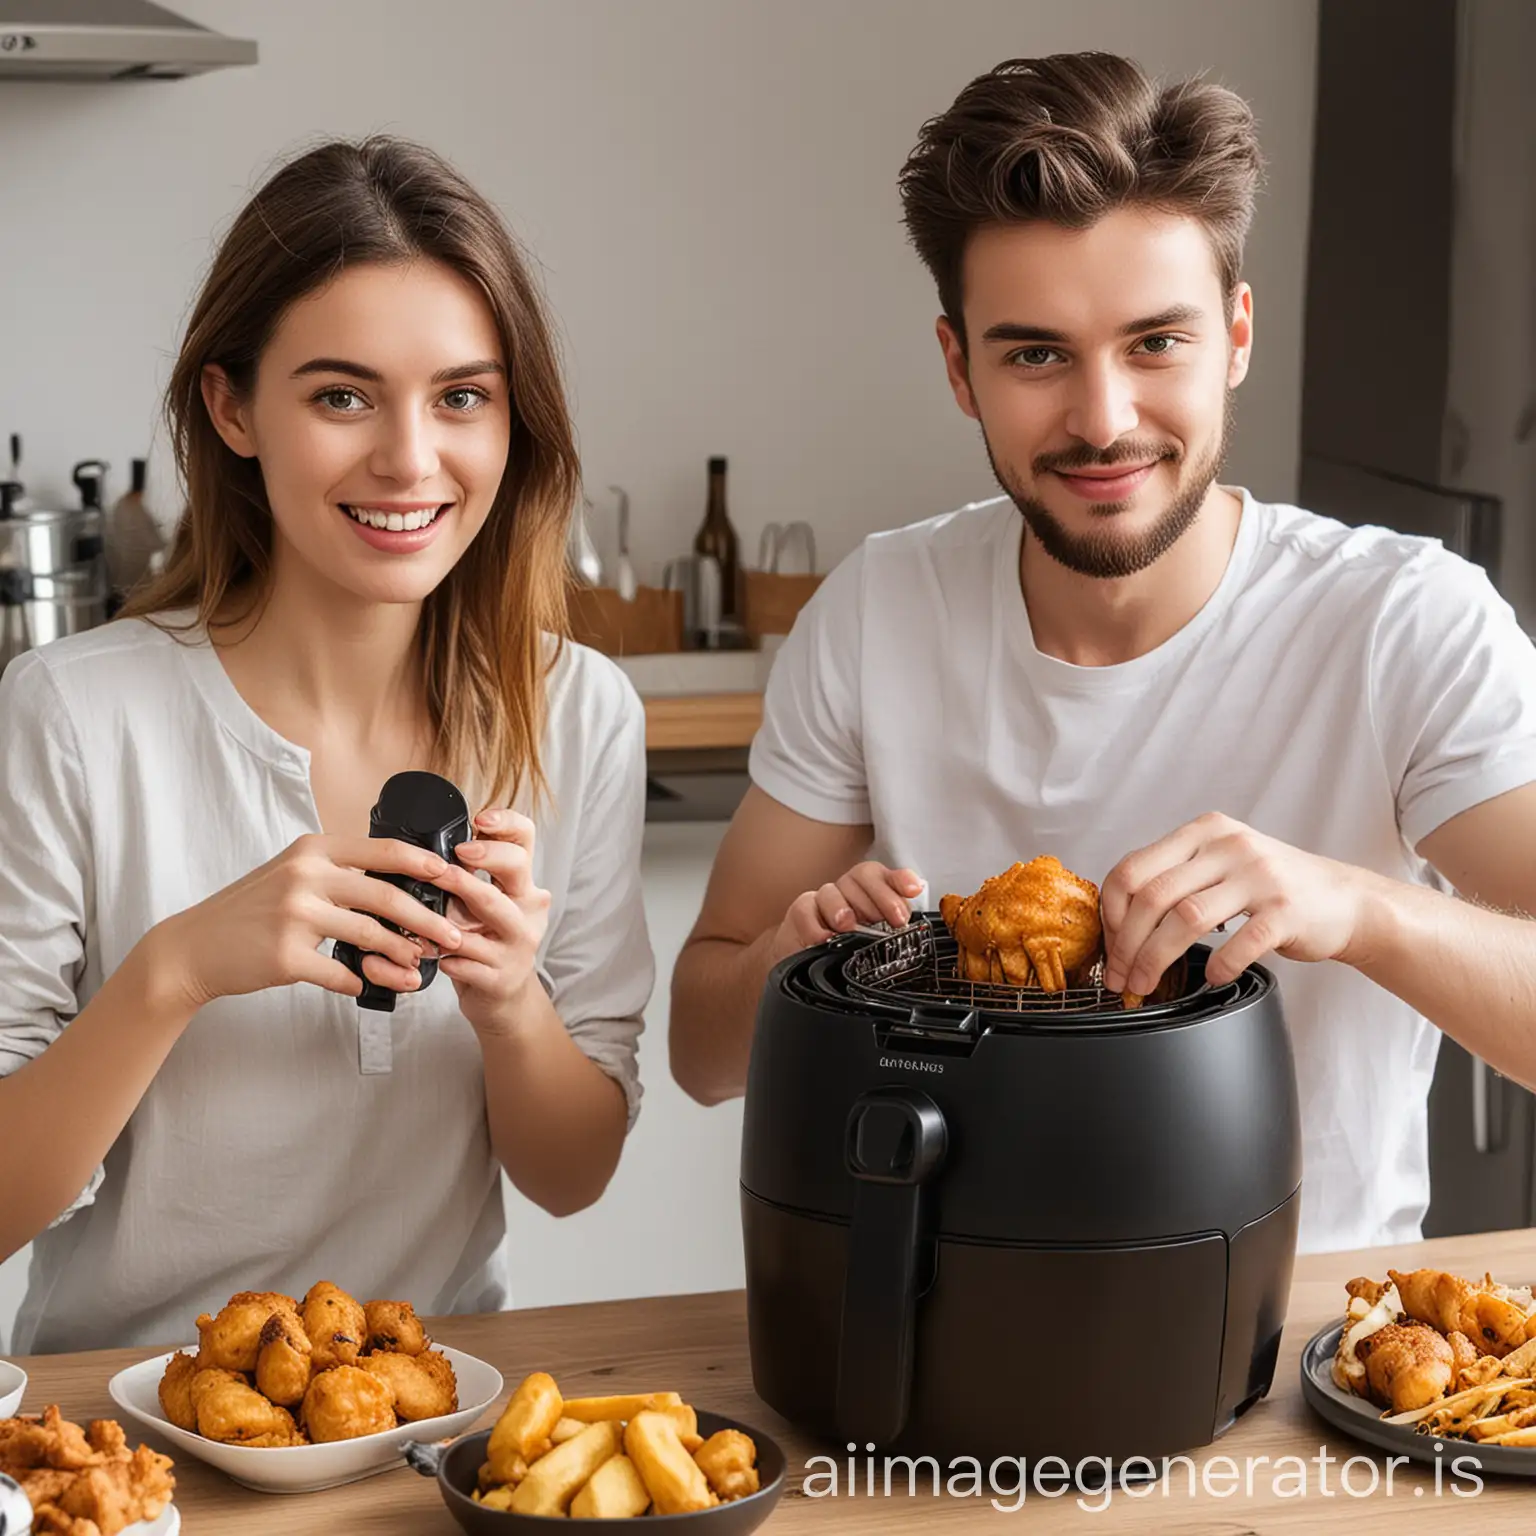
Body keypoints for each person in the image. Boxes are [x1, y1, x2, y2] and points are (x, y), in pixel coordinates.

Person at [669, 52, 1536, 1255]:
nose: (1104, 419)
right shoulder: (879, 608)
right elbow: (701, 1054)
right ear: (959, 367)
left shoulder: (1405, 621)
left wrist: (1357, 908)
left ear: (1234, 336)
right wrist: (792, 958)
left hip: (1299, 1349)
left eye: (1154, 344)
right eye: (1036, 355)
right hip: (933, 1326)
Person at [0, 137, 653, 1352]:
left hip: (433, 1406)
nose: (409, 460)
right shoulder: (69, 714)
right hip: (126, 1423)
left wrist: (511, 1002)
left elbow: (573, 1176)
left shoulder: (579, 713)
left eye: (462, 395)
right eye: (342, 395)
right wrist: (177, 970)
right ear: (233, 406)